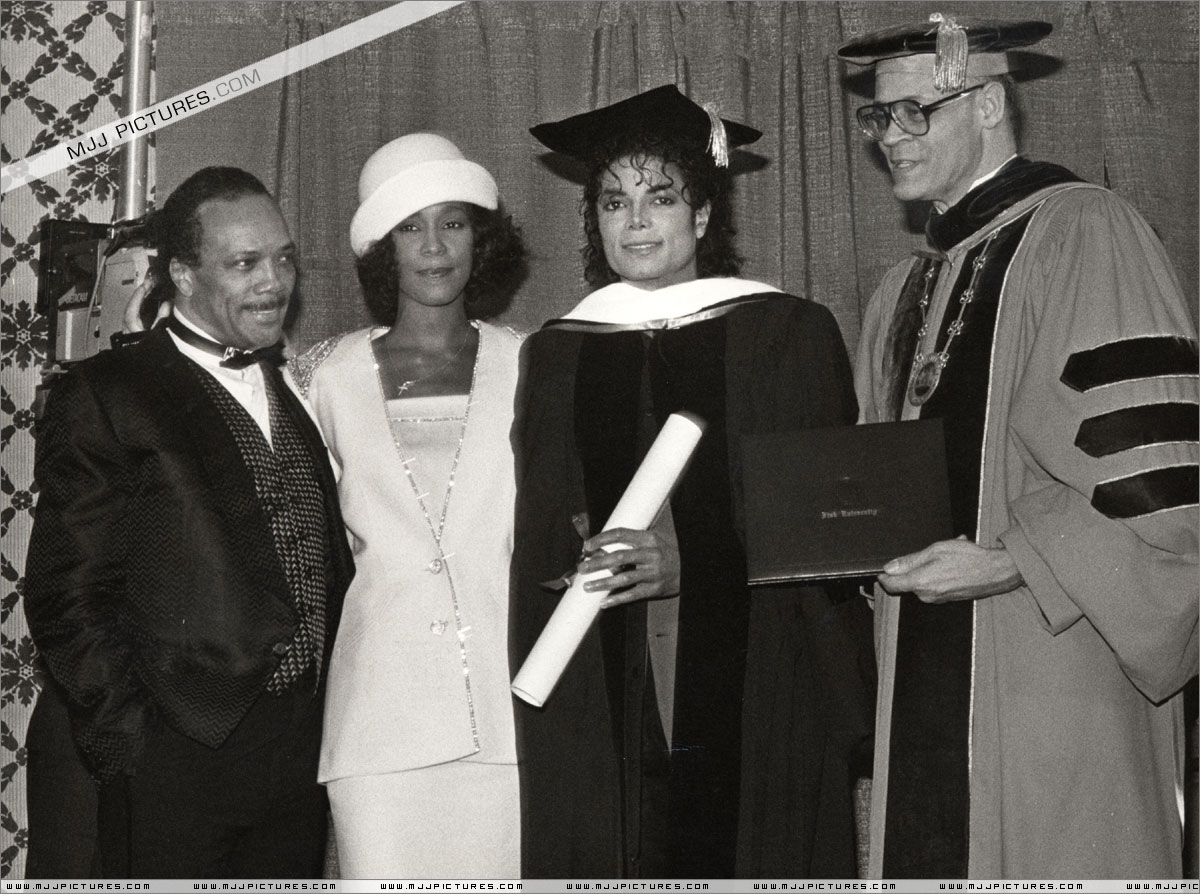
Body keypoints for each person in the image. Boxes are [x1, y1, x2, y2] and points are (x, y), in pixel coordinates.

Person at [839, 14, 1198, 879]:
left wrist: (1009, 563)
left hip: (1052, 656)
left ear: (989, 104)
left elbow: (1159, 492)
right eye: (879, 116)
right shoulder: (906, 287)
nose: (891, 136)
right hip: (924, 659)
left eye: (915, 112)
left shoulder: (1085, 231)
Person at [510, 84, 874, 878]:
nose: (636, 221)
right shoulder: (558, 353)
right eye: (614, 202)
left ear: (703, 216)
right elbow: (538, 528)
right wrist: (567, 554)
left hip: (756, 660)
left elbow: (825, 524)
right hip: (606, 667)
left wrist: (697, 560)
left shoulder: (787, 333)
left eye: (661, 198)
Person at [23, 167, 355, 878]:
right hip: (173, 757)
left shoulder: (290, 387)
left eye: (284, 259)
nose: (274, 282)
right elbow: (64, 593)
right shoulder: (108, 393)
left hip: (298, 756)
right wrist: (131, 745)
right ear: (182, 274)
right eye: (245, 264)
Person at [287, 134, 527, 878]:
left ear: (479, 238)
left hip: (508, 713)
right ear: (381, 248)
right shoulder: (321, 378)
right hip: (376, 721)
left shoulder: (532, 364)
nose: (433, 247)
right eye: (409, 227)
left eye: (453, 223)